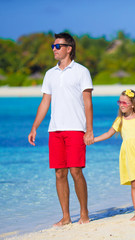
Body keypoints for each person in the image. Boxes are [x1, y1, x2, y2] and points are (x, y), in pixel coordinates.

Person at [28, 32, 94, 226]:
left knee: (75, 171)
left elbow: (88, 103)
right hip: (54, 130)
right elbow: (45, 102)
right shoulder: (50, 74)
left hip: (75, 128)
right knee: (59, 173)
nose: (54, 49)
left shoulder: (82, 71)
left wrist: (89, 130)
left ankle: (84, 213)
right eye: (53, 46)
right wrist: (34, 127)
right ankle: (66, 217)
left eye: (58, 46)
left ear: (69, 48)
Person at [92, 89, 135, 221]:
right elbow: (108, 134)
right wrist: (93, 140)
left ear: (132, 104)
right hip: (129, 154)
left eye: (125, 102)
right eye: (120, 102)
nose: (121, 105)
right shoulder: (119, 120)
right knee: (134, 184)